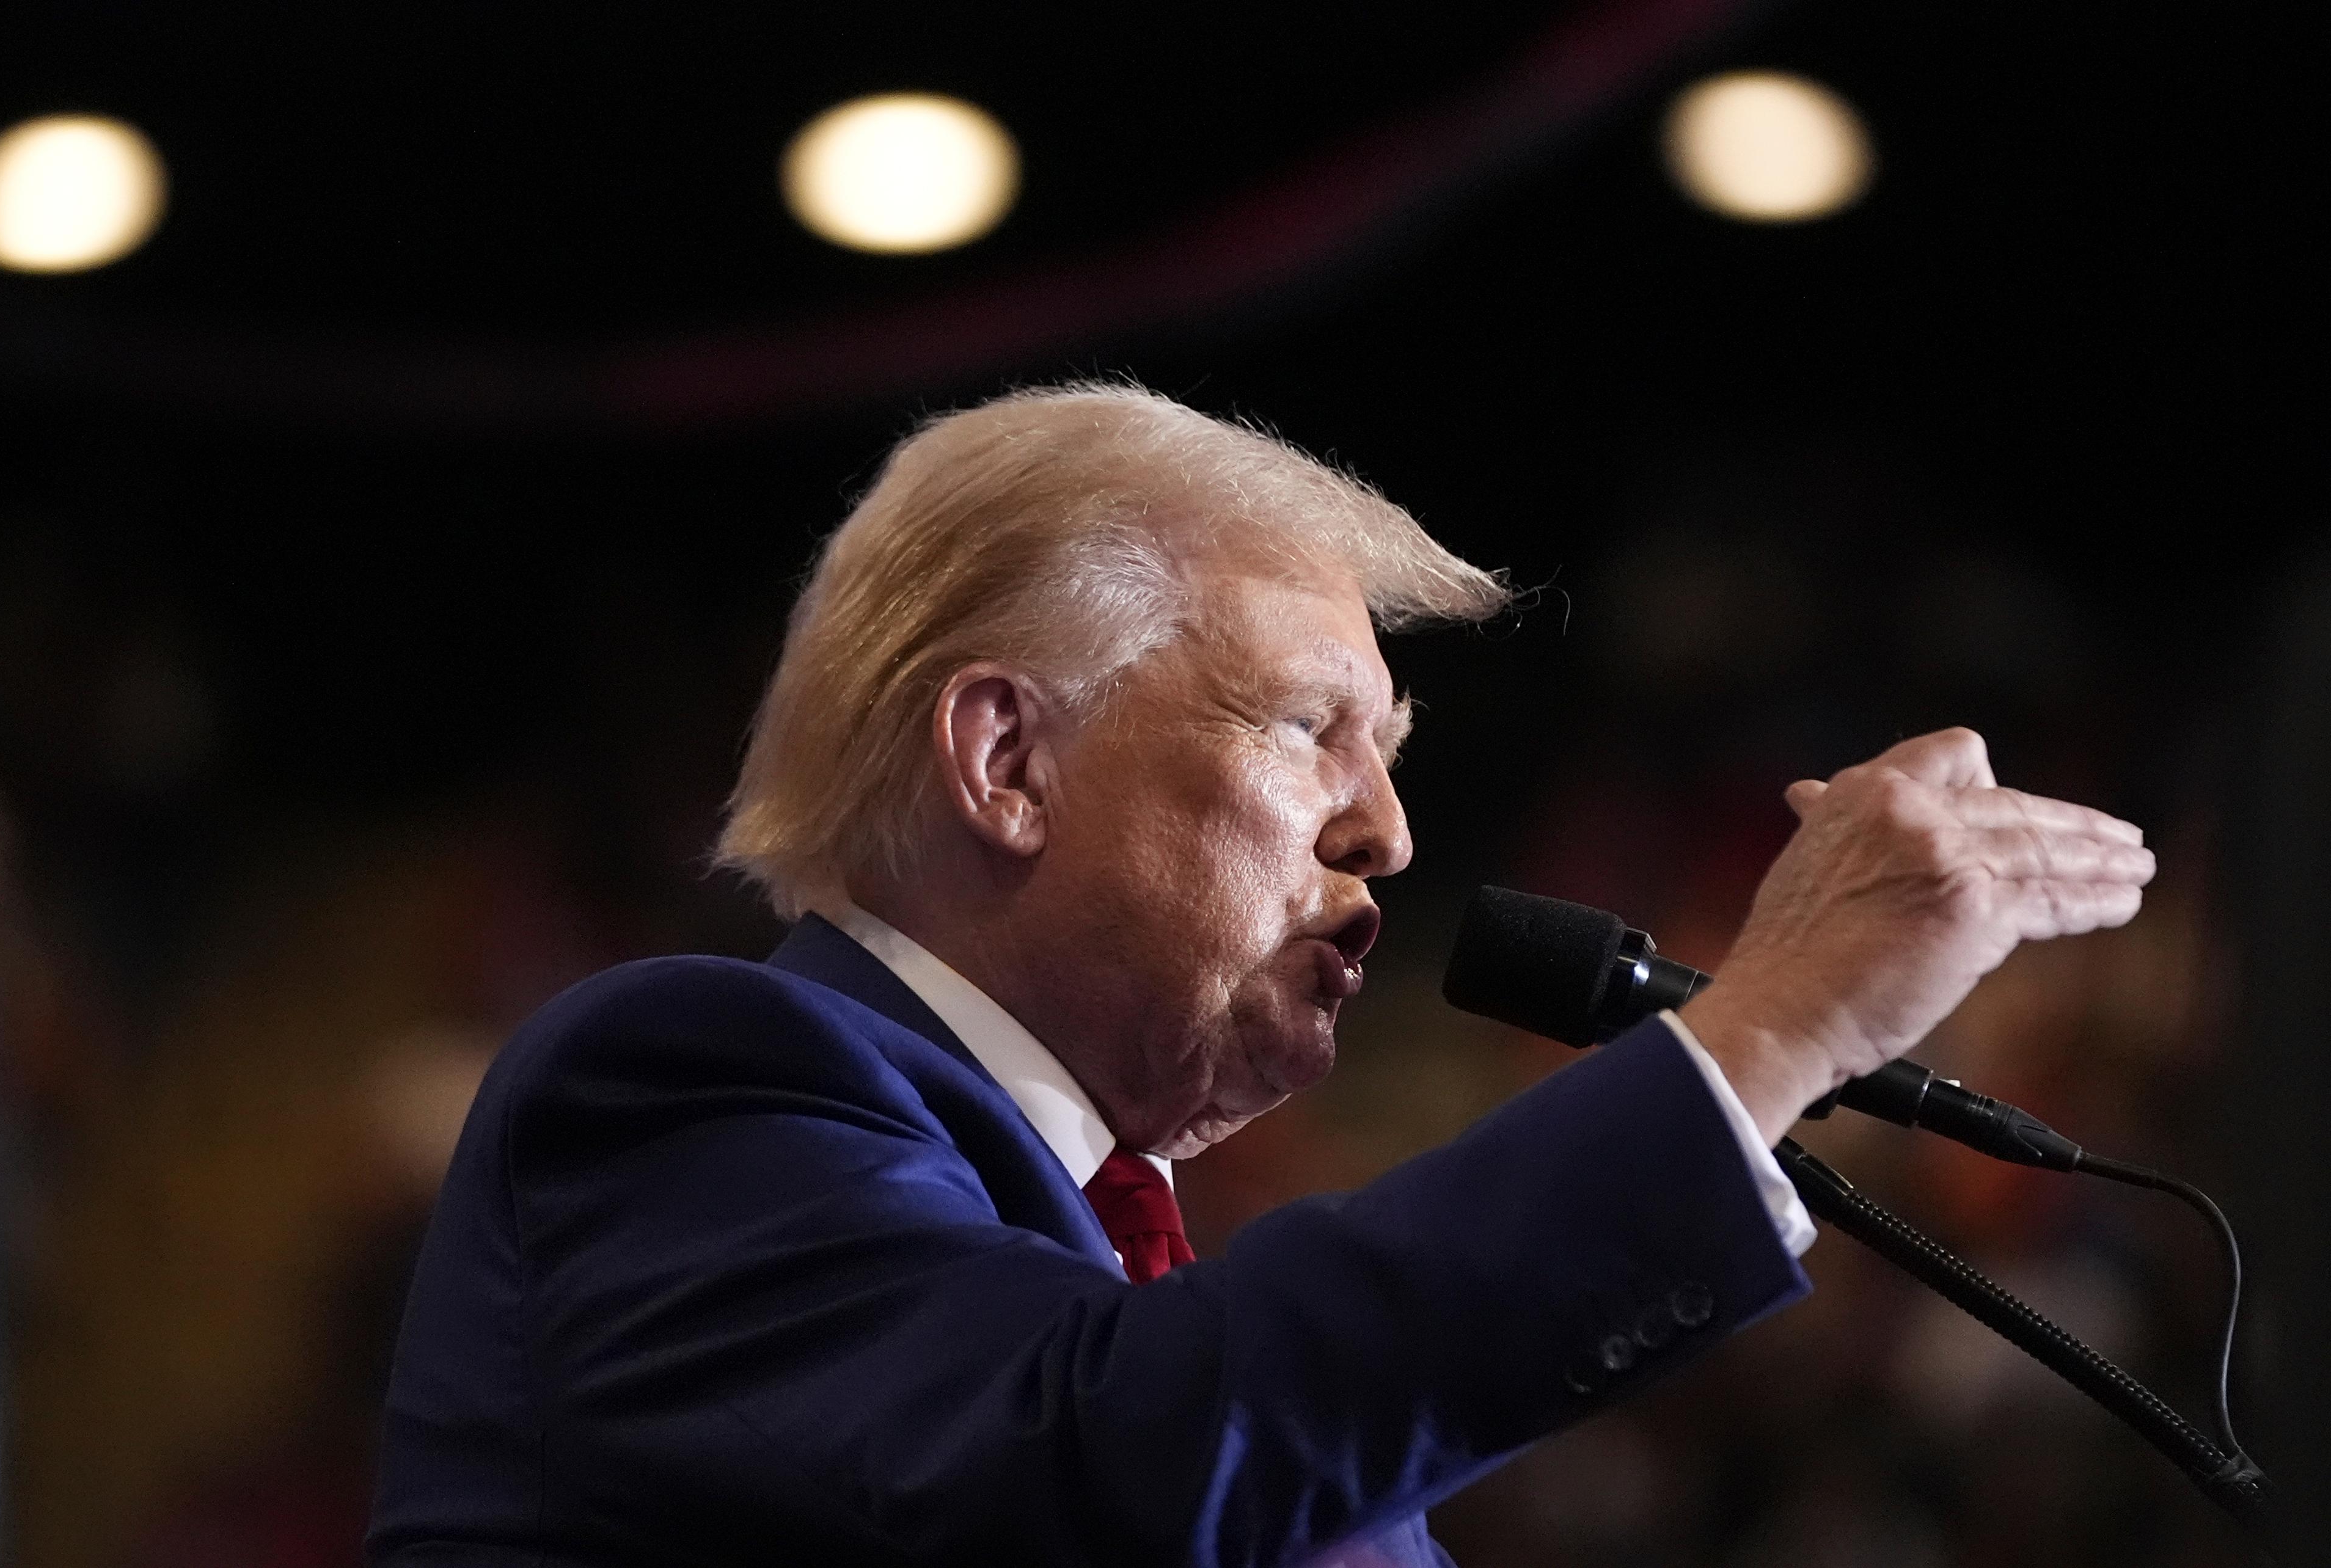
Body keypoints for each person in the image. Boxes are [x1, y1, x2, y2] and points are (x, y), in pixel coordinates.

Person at [368, 384, 2154, 1566]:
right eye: (1313, 731)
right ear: (1007, 761)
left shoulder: (1141, 1292)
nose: (1387, 831)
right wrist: (1771, 1031)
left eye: (1396, 750)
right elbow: (1108, 1466)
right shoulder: (686, 1089)